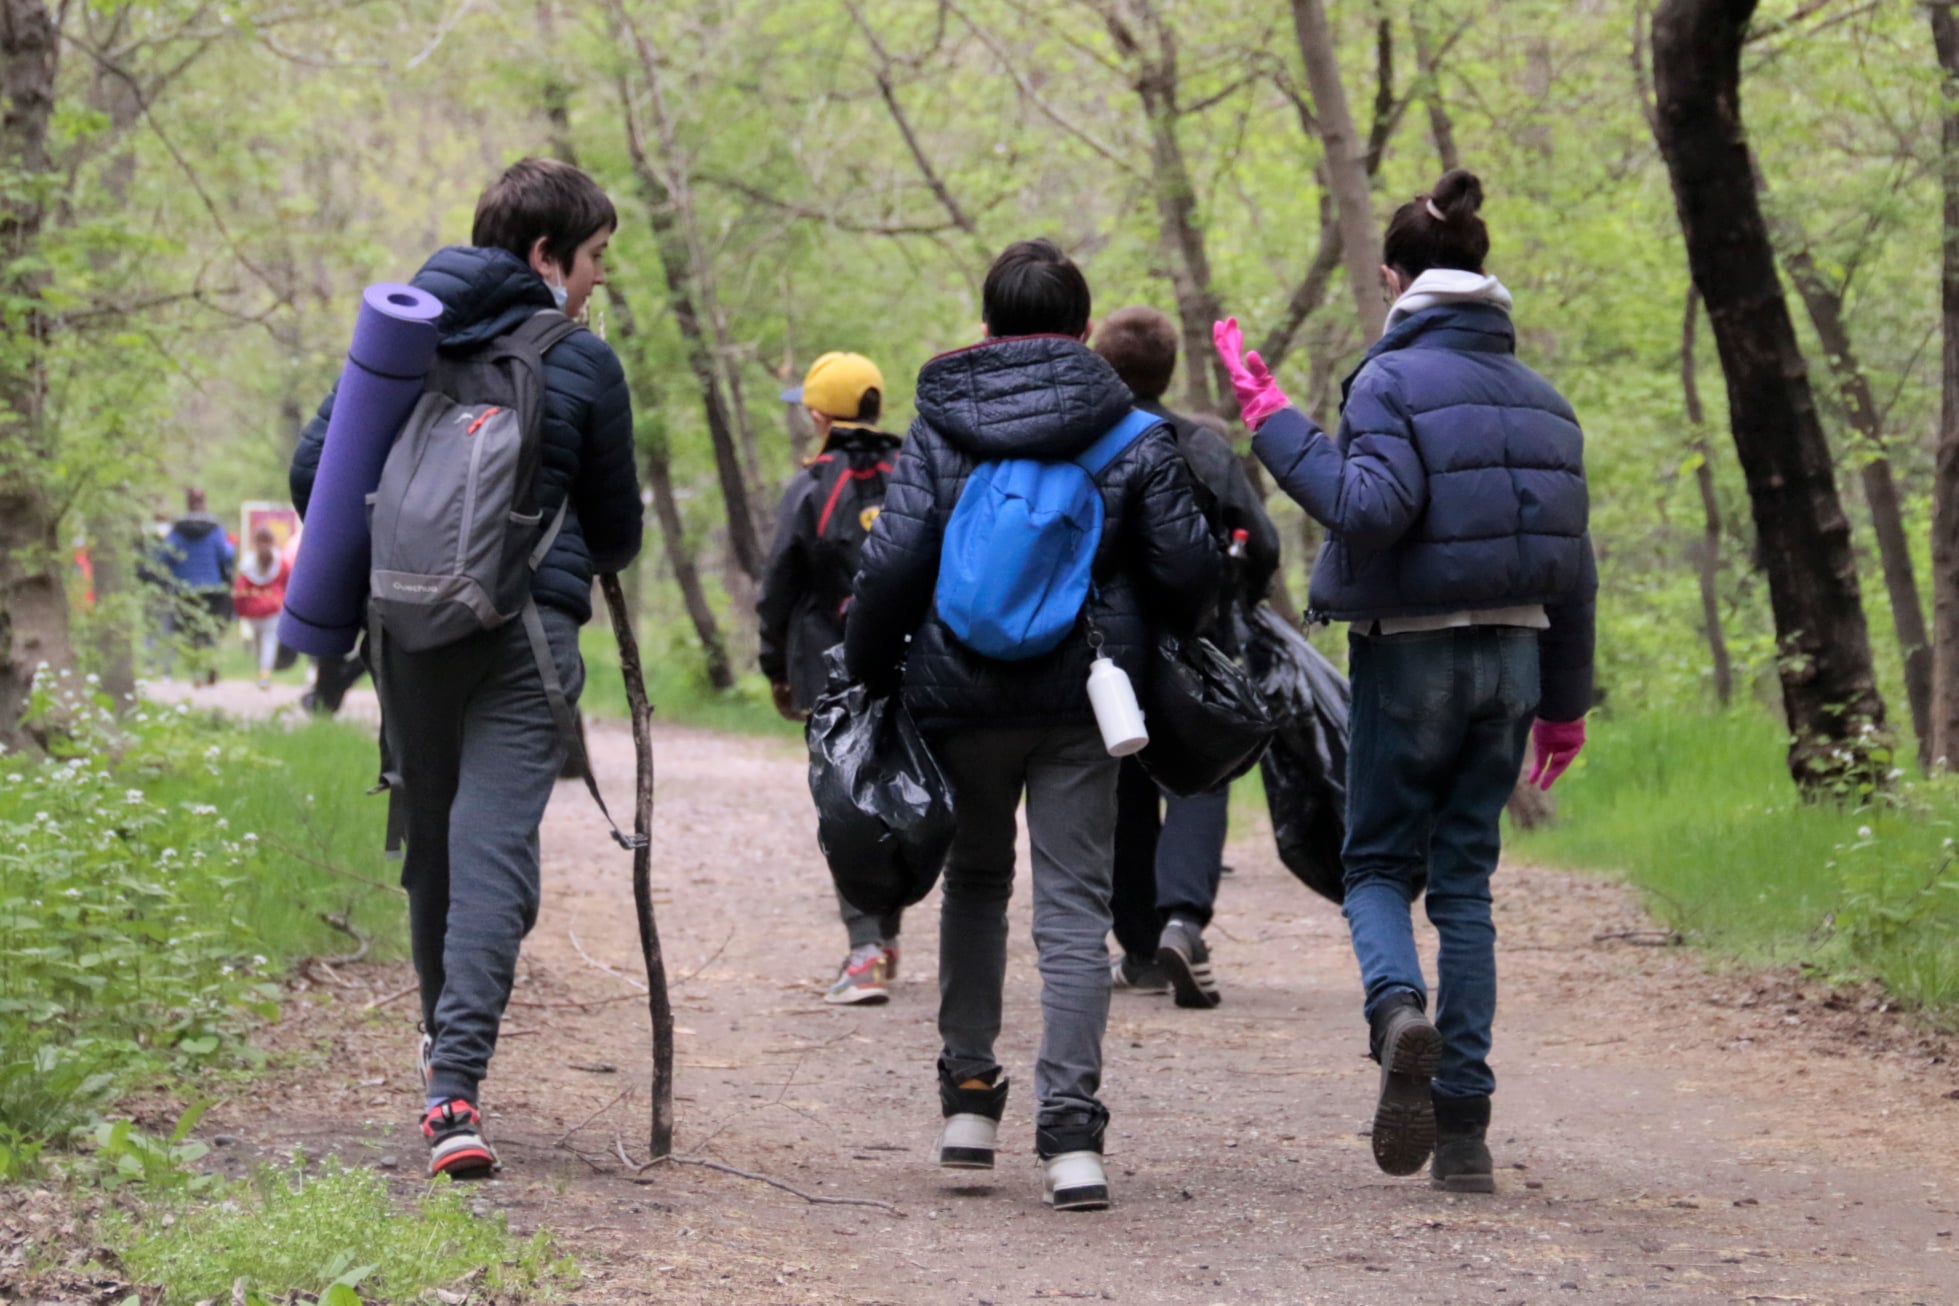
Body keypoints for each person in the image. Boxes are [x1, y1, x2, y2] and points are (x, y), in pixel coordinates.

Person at [1213, 168, 1595, 1194]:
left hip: (1411, 654)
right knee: (1464, 881)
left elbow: (1369, 509)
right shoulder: (1548, 402)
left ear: (1394, 278)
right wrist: (1564, 706)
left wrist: (1272, 418)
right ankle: (1463, 1133)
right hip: (1515, 659)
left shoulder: (1389, 380)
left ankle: (1395, 1015)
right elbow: (1575, 566)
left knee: (1377, 864)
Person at [845, 239, 1220, 1211]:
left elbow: (893, 565)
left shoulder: (940, 426)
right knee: (1074, 906)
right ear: (1084, 331)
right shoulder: (1132, 434)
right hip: (1083, 697)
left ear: (985, 329)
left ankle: (969, 1103)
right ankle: (1071, 1135)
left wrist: (868, 676)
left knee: (975, 886)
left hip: (959, 694)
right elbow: (1190, 573)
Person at [291, 157, 643, 1179]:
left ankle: (436, 1046)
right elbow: (617, 534)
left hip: (405, 633)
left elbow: (315, 472)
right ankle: (455, 1085)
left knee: (434, 843)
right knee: (493, 850)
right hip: (525, 638)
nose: (598, 278)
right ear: (545, 256)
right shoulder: (579, 361)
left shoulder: (400, 341)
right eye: (594, 257)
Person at [1092, 307, 1280, 1010]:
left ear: (1103, 368)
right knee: (1199, 778)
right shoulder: (1202, 446)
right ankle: (1182, 921)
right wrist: (1236, 605)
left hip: (1107, 653)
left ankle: (1141, 950)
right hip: (1194, 648)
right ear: (1168, 372)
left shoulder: (1088, 447)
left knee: (1124, 790)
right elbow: (1262, 544)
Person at [757, 351, 908, 1005]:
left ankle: (865, 950)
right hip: (912, 664)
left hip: (831, 669)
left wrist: (775, 666)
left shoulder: (811, 487)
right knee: (901, 796)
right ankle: (885, 937)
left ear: (819, 416)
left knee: (846, 804)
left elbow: (778, 586)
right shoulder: (915, 472)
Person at [157, 488, 236, 684]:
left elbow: (165, 555)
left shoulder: (177, 530)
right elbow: (225, 555)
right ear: (204, 503)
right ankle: (211, 665)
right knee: (210, 629)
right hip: (212, 588)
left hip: (184, 589)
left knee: (190, 630)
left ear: (188, 503)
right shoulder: (215, 529)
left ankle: (196, 672)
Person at [232, 526, 291, 690]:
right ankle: (265, 674)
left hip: (253, 611)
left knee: (259, 641)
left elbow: (239, 590)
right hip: (273, 609)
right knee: (269, 642)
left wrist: (240, 611)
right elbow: (288, 584)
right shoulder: (281, 563)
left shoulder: (247, 564)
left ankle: (262, 671)